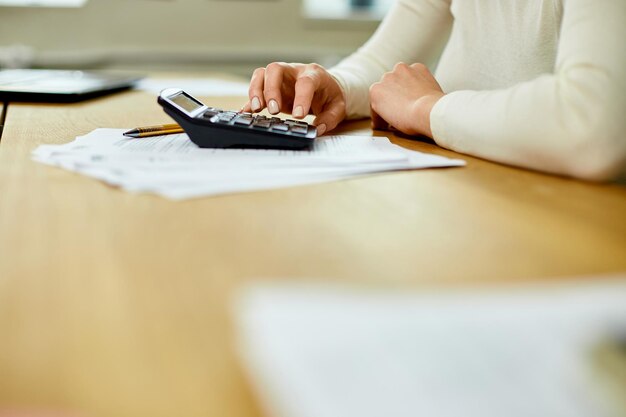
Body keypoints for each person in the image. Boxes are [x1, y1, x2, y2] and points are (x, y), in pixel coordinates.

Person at [242, 0, 626, 181]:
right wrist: (336, 87)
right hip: (472, 195)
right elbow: (385, 59)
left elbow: (591, 125)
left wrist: (428, 109)